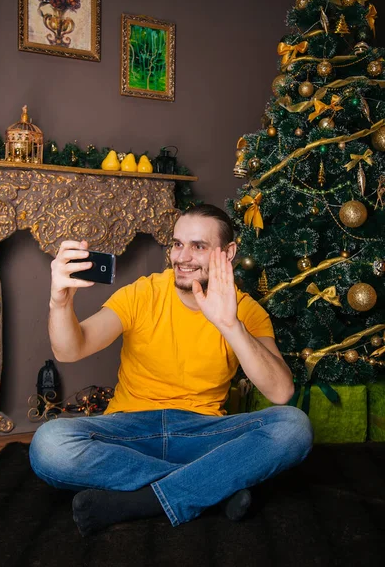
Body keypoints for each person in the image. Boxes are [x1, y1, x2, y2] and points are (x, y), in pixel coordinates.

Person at [29, 204, 313, 537]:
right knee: (49, 444)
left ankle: (144, 500)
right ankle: (215, 487)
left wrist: (229, 324)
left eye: (199, 246)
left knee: (295, 426)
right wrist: (59, 302)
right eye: (177, 244)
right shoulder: (142, 293)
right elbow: (69, 350)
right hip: (130, 432)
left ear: (229, 252)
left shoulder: (245, 311)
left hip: (203, 433)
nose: (182, 257)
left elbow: (281, 392)